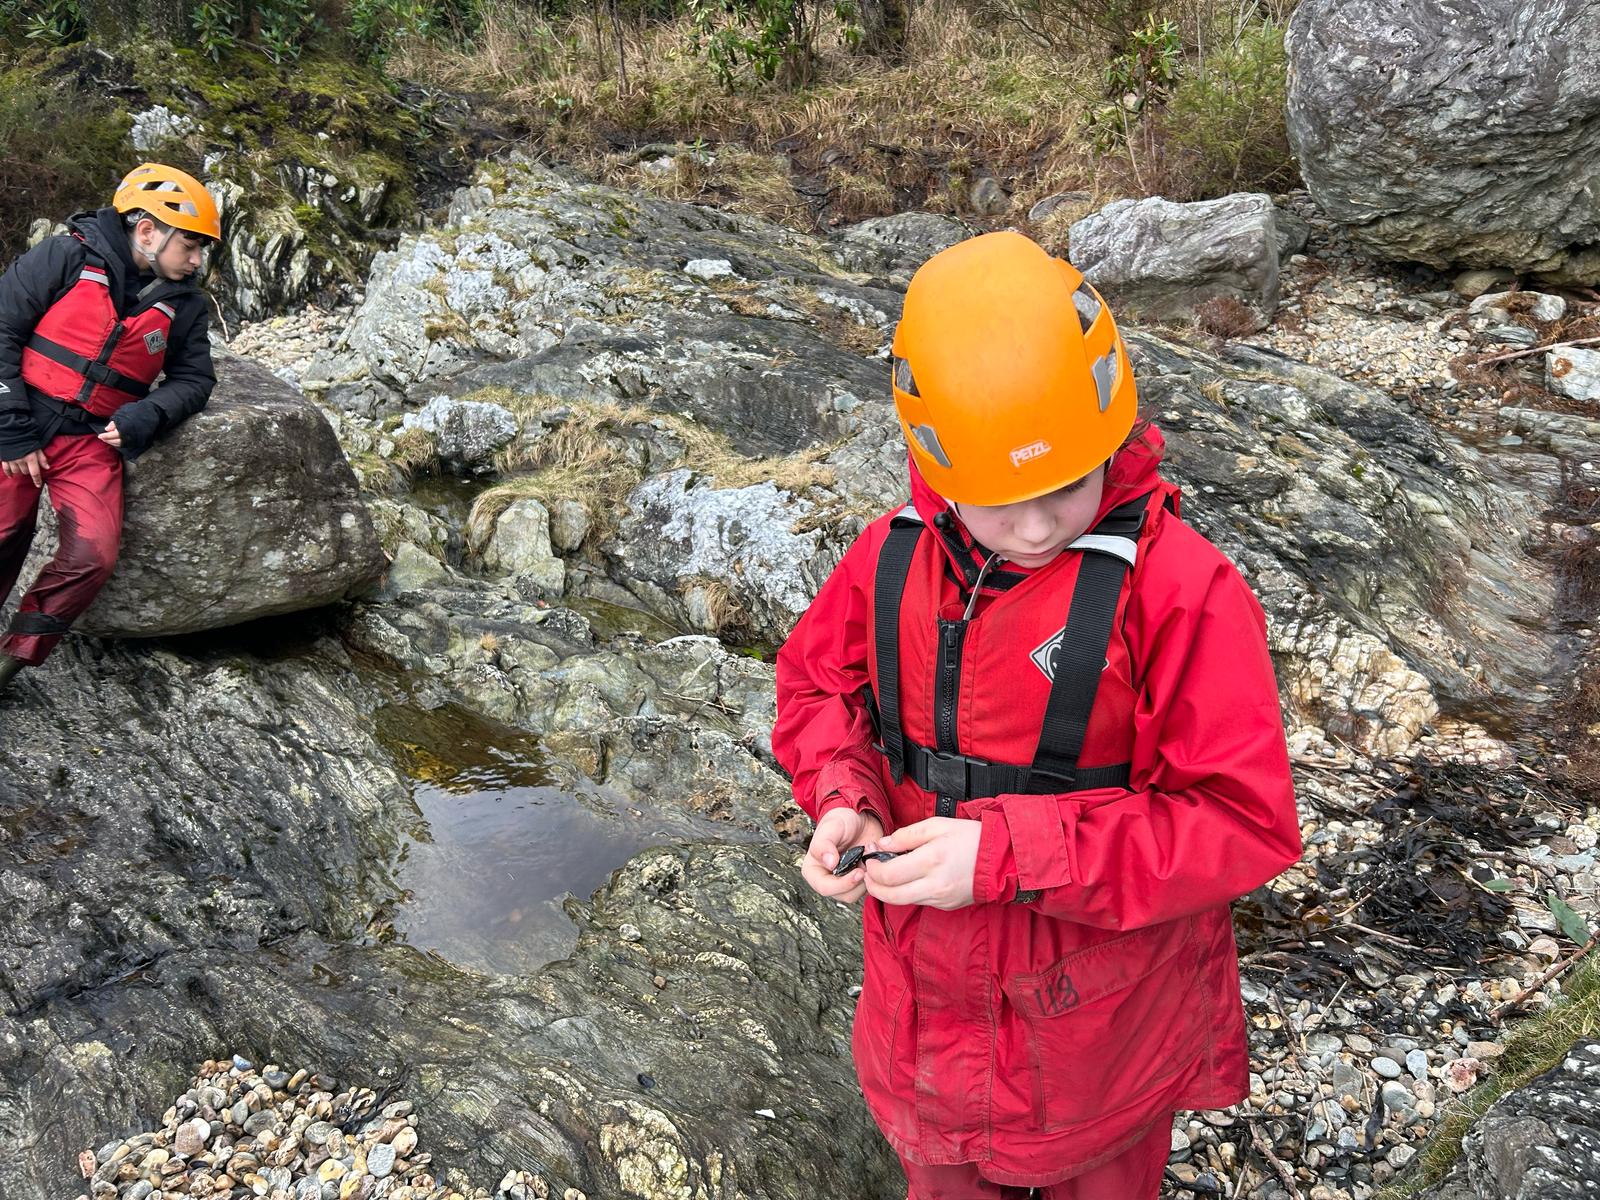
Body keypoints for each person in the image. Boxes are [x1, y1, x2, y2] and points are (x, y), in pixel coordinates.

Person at [772, 231, 1301, 1199]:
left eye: (1065, 484)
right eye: (996, 498)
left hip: (1100, 1037)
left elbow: (1240, 823)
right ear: (937, 466)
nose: (1035, 525)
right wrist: (844, 795)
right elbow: (816, 687)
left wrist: (1005, 856)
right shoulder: (890, 558)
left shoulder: (1182, 591)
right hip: (922, 1018)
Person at [0, 162, 220, 693]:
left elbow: (194, 379)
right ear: (147, 231)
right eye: (190, 245)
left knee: (93, 556)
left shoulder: (186, 305)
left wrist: (147, 413)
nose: (196, 260)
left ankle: (10, 661)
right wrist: (11, 431)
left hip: (91, 441)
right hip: (19, 422)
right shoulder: (65, 256)